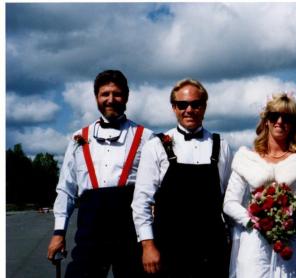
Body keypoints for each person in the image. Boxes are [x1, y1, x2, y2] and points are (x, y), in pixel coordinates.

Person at [47, 70, 153, 277]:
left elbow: (155, 189)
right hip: (90, 226)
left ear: (127, 97)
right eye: (105, 94)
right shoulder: (79, 137)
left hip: (130, 228)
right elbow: (66, 190)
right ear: (96, 97)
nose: (111, 100)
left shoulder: (146, 137)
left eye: (117, 94)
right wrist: (58, 232)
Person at [132, 78, 233, 277]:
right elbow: (141, 202)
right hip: (169, 249)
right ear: (174, 108)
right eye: (182, 105)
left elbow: (230, 201)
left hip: (212, 249)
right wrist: (148, 246)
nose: (189, 110)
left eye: (196, 104)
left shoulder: (222, 146)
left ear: (204, 107)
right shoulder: (156, 146)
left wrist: (235, 243)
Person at [223, 93, 296, 278]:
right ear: (266, 121)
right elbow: (229, 203)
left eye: (287, 117)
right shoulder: (246, 159)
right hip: (255, 244)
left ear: (295, 123)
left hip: (295, 243)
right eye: (274, 116)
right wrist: (253, 221)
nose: (280, 121)